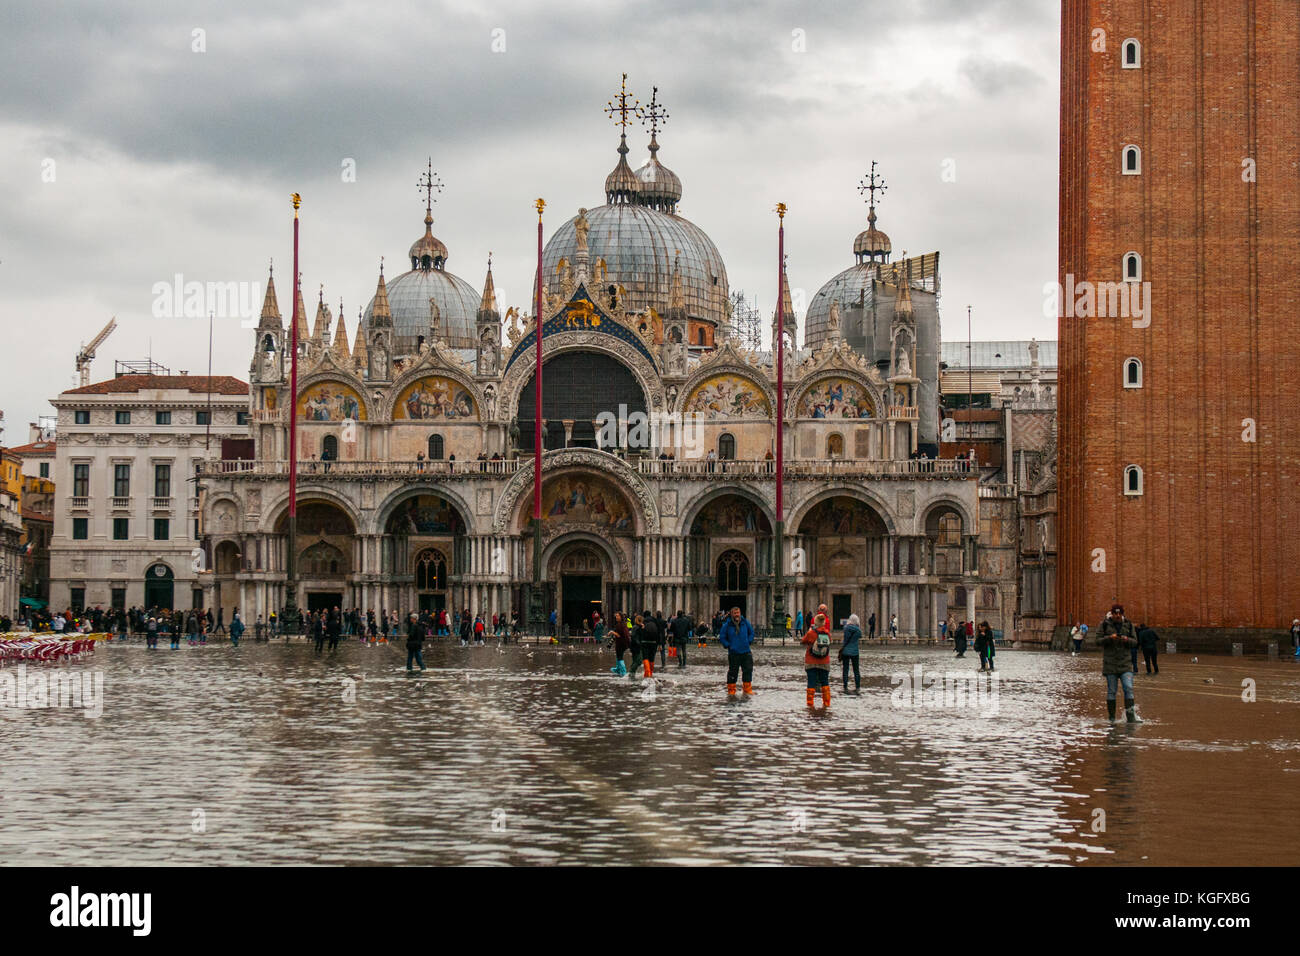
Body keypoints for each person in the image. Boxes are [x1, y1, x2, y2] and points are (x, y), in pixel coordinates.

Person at [1097, 604, 1141, 723]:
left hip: (1125, 663)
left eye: (1119, 613)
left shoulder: (1128, 624)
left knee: (1128, 688)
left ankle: (1131, 717)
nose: (1117, 615)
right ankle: (1111, 718)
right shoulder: (1104, 624)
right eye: (1115, 613)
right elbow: (1098, 641)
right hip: (1110, 664)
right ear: (1112, 613)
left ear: (1122, 614)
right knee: (1112, 691)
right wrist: (1110, 638)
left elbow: (1135, 642)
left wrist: (1126, 639)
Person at [719, 605, 756, 697]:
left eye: (738, 613)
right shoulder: (727, 625)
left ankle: (747, 689)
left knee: (748, 670)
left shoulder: (745, 622)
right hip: (734, 652)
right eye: (735, 613)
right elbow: (722, 637)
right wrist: (728, 646)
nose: (737, 615)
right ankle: (731, 689)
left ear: (740, 613)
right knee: (733, 672)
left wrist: (748, 641)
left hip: (746, 651)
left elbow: (751, 632)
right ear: (731, 614)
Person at [802, 608, 833, 708]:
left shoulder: (811, 633)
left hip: (811, 661)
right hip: (824, 661)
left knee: (811, 682)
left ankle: (810, 704)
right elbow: (830, 642)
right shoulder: (827, 633)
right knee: (825, 682)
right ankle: (826, 703)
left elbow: (803, 641)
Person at [840, 612, 862, 693]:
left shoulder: (846, 628)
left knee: (845, 669)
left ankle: (845, 686)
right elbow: (860, 636)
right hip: (855, 652)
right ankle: (858, 687)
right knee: (856, 670)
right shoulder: (858, 630)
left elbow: (845, 640)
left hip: (846, 651)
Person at [638, 609, 659, 678]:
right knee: (652, 658)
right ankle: (651, 673)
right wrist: (659, 643)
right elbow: (659, 632)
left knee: (645, 657)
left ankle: (648, 673)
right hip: (654, 642)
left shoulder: (643, 621)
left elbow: (640, 632)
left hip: (645, 642)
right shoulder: (655, 621)